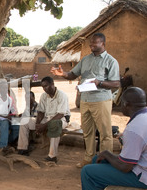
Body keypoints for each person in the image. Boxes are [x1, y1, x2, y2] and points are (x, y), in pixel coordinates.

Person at [51, 33, 120, 168]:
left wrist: (99, 82)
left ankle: (105, 162)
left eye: (95, 43)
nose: (92, 46)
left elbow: (116, 83)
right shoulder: (85, 59)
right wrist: (63, 74)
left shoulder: (111, 61)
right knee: (87, 132)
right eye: (91, 44)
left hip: (101, 100)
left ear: (103, 44)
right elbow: (73, 74)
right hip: (85, 99)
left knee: (105, 133)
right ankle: (89, 158)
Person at [20, 77, 70, 162]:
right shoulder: (44, 96)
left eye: (46, 86)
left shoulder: (62, 95)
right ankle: (23, 148)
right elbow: (41, 112)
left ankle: (52, 156)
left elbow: (60, 114)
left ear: (52, 84)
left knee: (55, 125)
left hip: (61, 119)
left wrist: (44, 126)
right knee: (24, 121)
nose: (45, 89)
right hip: (47, 118)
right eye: (43, 87)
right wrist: (37, 124)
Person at [0, 80, 19, 155]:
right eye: (2, 88)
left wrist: (11, 116)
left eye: (6, 88)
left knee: (18, 125)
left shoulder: (10, 99)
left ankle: (7, 141)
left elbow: (14, 111)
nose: (4, 90)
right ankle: (3, 147)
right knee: (5, 123)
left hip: (7, 118)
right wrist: (5, 116)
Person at [17, 90, 39, 156]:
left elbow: (35, 117)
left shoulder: (38, 106)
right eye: (26, 98)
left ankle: (23, 148)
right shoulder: (28, 106)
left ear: (34, 98)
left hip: (37, 122)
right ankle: (19, 145)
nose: (28, 99)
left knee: (23, 122)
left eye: (30, 98)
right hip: (29, 122)